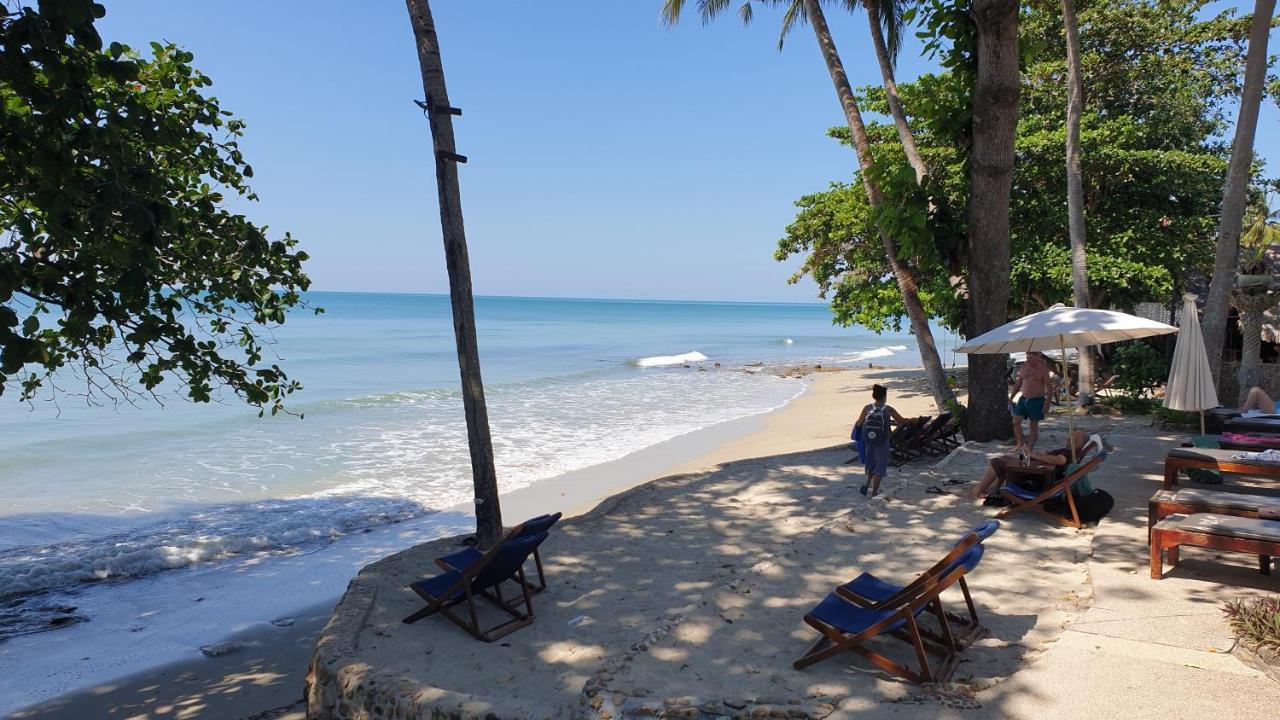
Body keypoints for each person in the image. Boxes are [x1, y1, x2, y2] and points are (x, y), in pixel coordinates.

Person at [967, 432, 1088, 500]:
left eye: (1074, 438)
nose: (1070, 438)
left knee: (997, 461)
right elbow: (1057, 458)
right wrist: (1040, 454)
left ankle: (977, 491)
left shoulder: (1069, 453)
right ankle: (995, 489)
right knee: (1005, 458)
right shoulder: (1070, 452)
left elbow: (1060, 460)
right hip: (1040, 469)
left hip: (1037, 475)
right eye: (1071, 436)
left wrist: (1033, 455)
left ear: (1079, 444)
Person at [854, 383, 910, 498]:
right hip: (882, 441)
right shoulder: (888, 409)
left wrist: (857, 433)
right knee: (880, 464)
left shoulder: (867, 408)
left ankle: (867, 482)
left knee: (871, 462)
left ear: (874, 396)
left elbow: (859, 423)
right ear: (884, 396)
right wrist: (912, 420)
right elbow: (901, 420)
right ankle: (874, 492)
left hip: (869, 439)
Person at [1010, 352, 1054, 455]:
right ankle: (1019, 444)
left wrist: (1047, 403)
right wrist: (1011, 398)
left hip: (1037, 400)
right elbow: (1018, 384)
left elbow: (1049, 387)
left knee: (1033, 426)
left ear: (1038, 357)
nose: (1028, 359)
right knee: (1016, 421)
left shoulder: (1043, 369)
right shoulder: (1024, 366)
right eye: (1027, 357)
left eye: (1031, 357)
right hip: (1023, 399)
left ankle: (1029, 447)